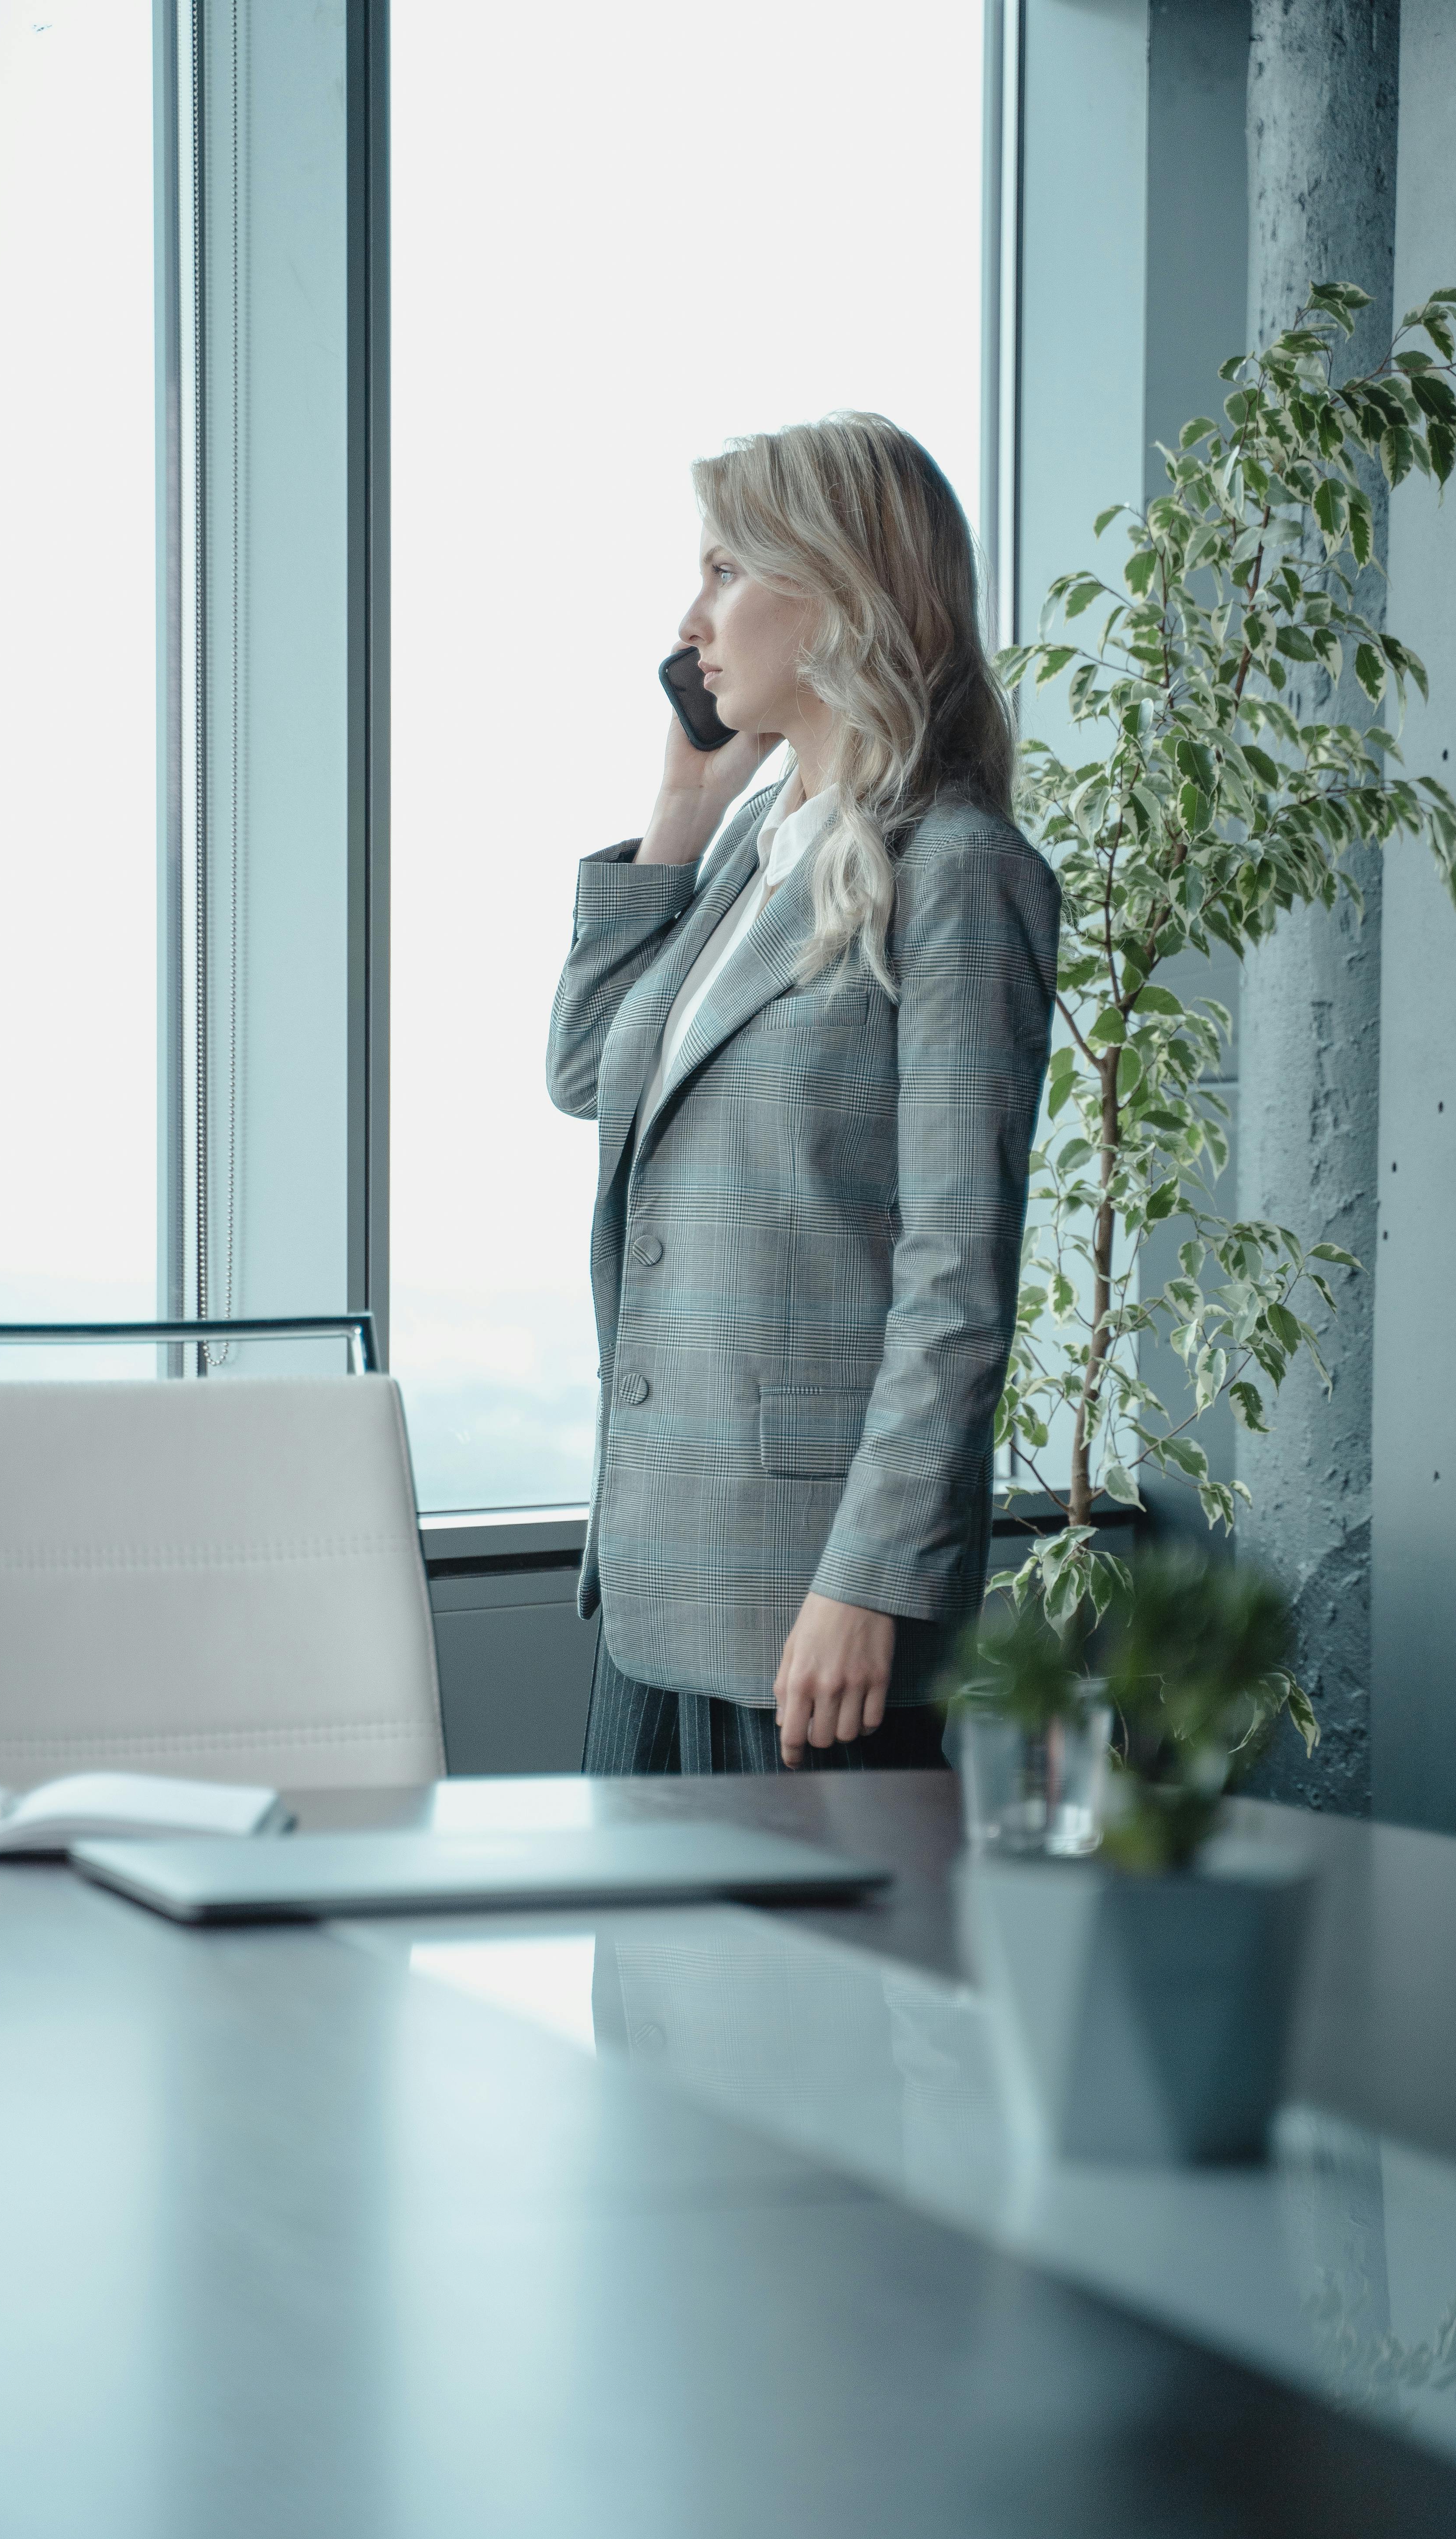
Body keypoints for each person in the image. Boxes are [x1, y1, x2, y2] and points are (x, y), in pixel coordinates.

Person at [547, 412, 1058, 1774]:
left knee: (795, 1993)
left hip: (814, 1621)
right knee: (638, 1993)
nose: (689, 618)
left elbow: (958, 1275)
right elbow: (588, 1076)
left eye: (725, 571)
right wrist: (683, 806)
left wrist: (874, 1580)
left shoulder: (955, 869)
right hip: (656, 1592)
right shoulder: (758, 854)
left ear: (838, 593)